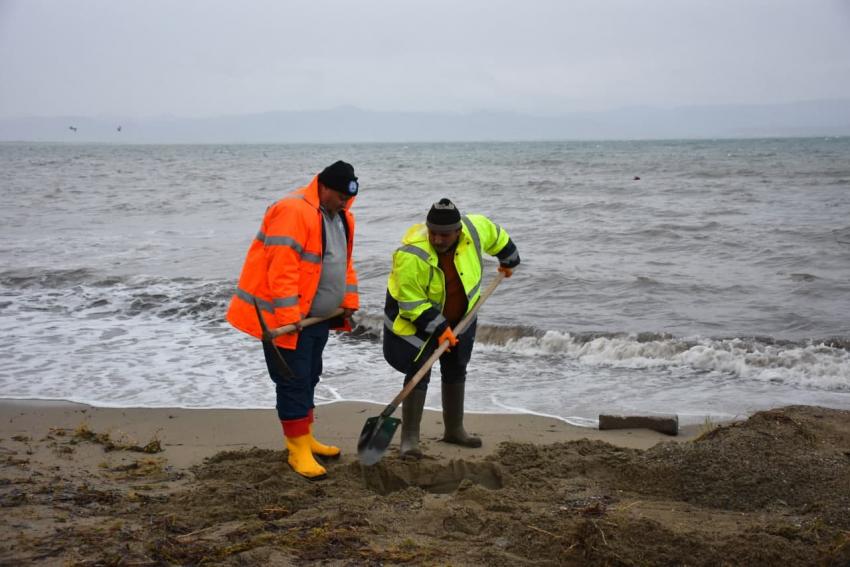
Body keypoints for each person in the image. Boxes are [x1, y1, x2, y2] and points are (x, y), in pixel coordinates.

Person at [226, 160, 360, 480]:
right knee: (292, 381)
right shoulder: (292, 210)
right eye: (341, 195)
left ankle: (307, 436)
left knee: (311, 374)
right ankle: (296, 448)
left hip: (318, 318)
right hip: (286, 322)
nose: (346, 201)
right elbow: (281, 268)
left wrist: (348, 302)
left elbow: (342, 264)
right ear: (324, 187)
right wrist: (290, 319)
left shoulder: (341, 216)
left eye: (349, 197)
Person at [383, 198, 520, 458]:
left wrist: (509, 258)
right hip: (420, 320)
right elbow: (411, 303)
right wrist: (439, 327)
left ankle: (455, 430)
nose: (437, 239)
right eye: (432, 232)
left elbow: (497, 236)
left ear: (458, 231)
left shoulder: (475, 229)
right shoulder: (411, 254)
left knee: (457, 367)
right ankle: (410, 438)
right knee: (418, 371)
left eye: (444, 234)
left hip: (463, 316)